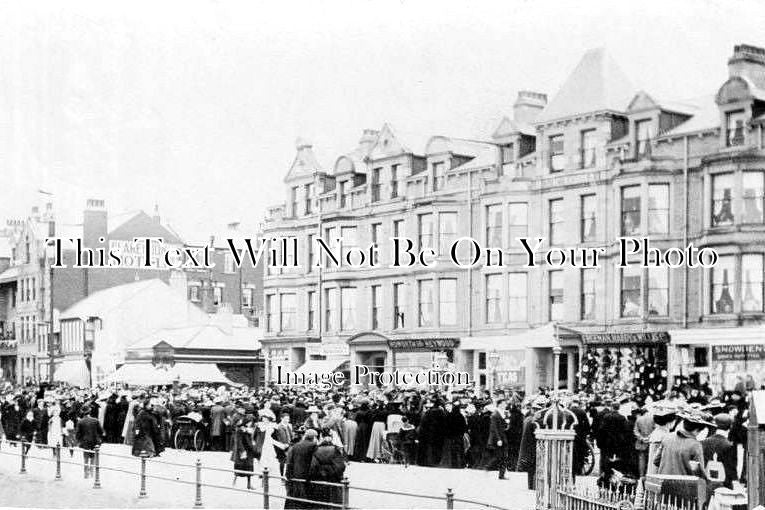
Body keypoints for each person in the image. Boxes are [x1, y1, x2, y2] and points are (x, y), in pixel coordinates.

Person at [654, 411, 712, 480]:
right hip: (682, 485)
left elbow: (656, 461)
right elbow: (698, 472)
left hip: (662, 482)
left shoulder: (667, 437)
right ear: (697, 430)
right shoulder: (695, 445)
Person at [308, 428, 347, 509]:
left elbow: (313, 466)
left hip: (320, 481)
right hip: (334, 481)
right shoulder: (335, 450)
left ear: (321, 437)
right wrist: (332, 473)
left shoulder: (316, 450)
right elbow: (341, 467)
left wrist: (322, 472)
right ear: (331, 438)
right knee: (334, 504)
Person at [701, 413, 737, 491]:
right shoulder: (729, 445)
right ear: (730, 427)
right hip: (724, 486)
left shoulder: (704, 442)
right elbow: (731, 469)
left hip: (707, 484)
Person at [285, 429, 319, 509]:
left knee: (295, 499)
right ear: (314, 437)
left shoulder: (296, 446)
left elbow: (290, 461)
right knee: (307, 501)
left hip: (296, 476)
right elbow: (314, 463)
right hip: (307, 477)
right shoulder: (314, 446)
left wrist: (288, 475)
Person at [75, 404, 104, 478]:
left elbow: (77, 434)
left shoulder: (80, 422)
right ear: (89, 411)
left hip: (85, 442)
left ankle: (86, 474)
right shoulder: (95, 420)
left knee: (86, 457)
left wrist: (80, 440)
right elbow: (101, 431)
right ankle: (92, 472)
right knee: (93, 457)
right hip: (94, 441)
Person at [440, 400, 467, 468]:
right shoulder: (461, 416)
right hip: (459, 436)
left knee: (452, 451)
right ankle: (460, 464)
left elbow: (445, 426)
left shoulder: (449, 415)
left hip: (451, 437)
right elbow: (464, 427)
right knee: (460, 451)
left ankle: (453, 464)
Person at [231, 415, 256, 489]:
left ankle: (249, 484)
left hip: (249, 451)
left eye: (251, 422)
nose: (250, 424)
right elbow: (239, 442)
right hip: (243, 451)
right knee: (239, 468)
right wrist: (242, 451)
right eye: (248, 422)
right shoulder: (240, 430)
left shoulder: (249, 429)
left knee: (249, 468)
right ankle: (234, 481)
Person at [486, 400, 509, 479]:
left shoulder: (503, 414)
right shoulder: (495, 415)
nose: (505, 405)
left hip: (502, 437)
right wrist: (499, 439)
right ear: (499, 405)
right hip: (498, 438)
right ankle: (488, 467)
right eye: (503, 403)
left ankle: (501, 474)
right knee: (500, 456)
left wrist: (506, 423)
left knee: (503, 456)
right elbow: (494, 428)